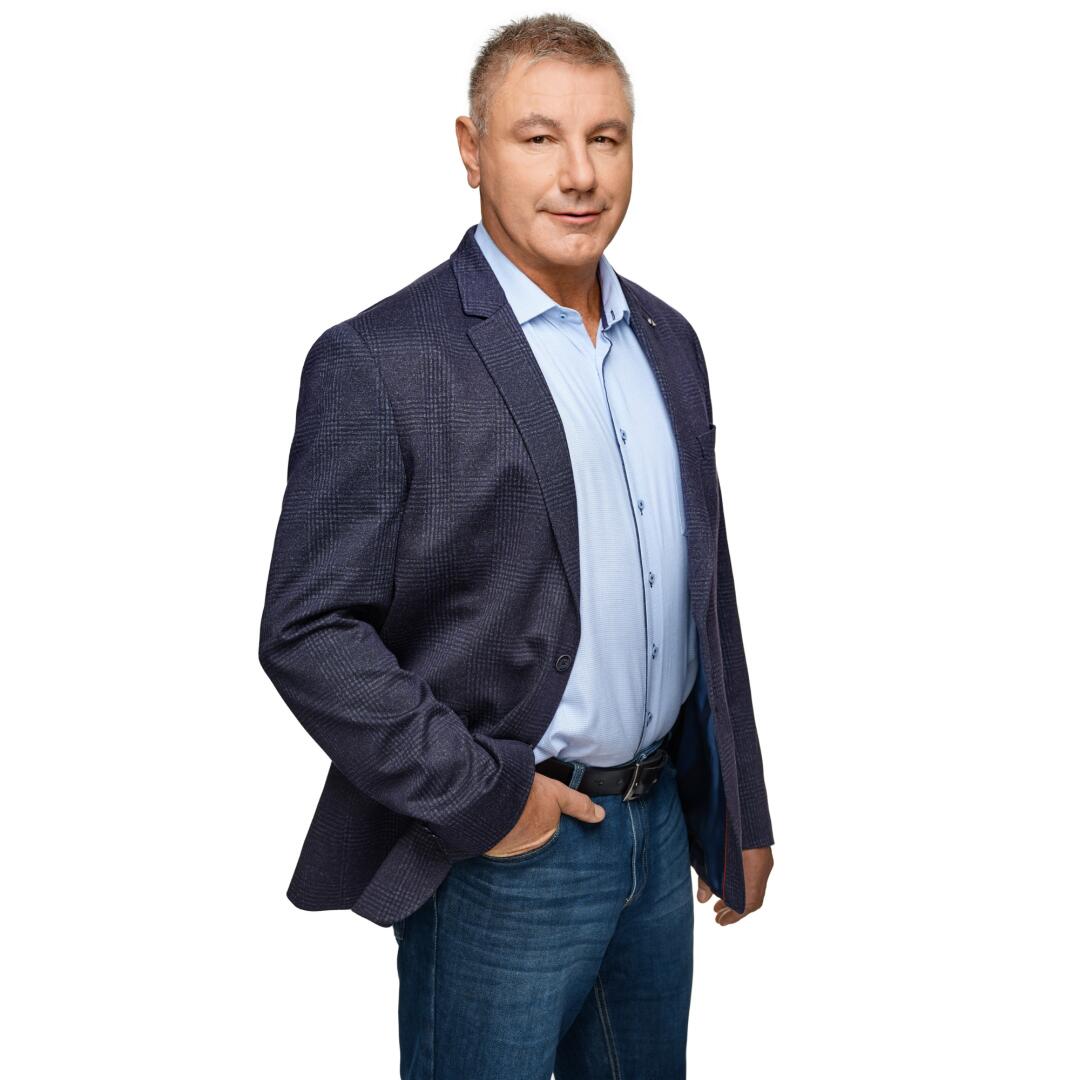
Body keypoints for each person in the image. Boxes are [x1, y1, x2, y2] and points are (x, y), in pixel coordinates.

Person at [258, 13, 775, 1079]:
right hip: (501, 849)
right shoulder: (382, 360)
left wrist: (738, 805)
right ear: (471, 149)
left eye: (606, 138)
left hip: (658, 834)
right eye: (539, 138)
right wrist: (494, 802)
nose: (579, 174)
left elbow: (703, 590)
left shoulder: (670, 342)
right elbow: (310, 631)